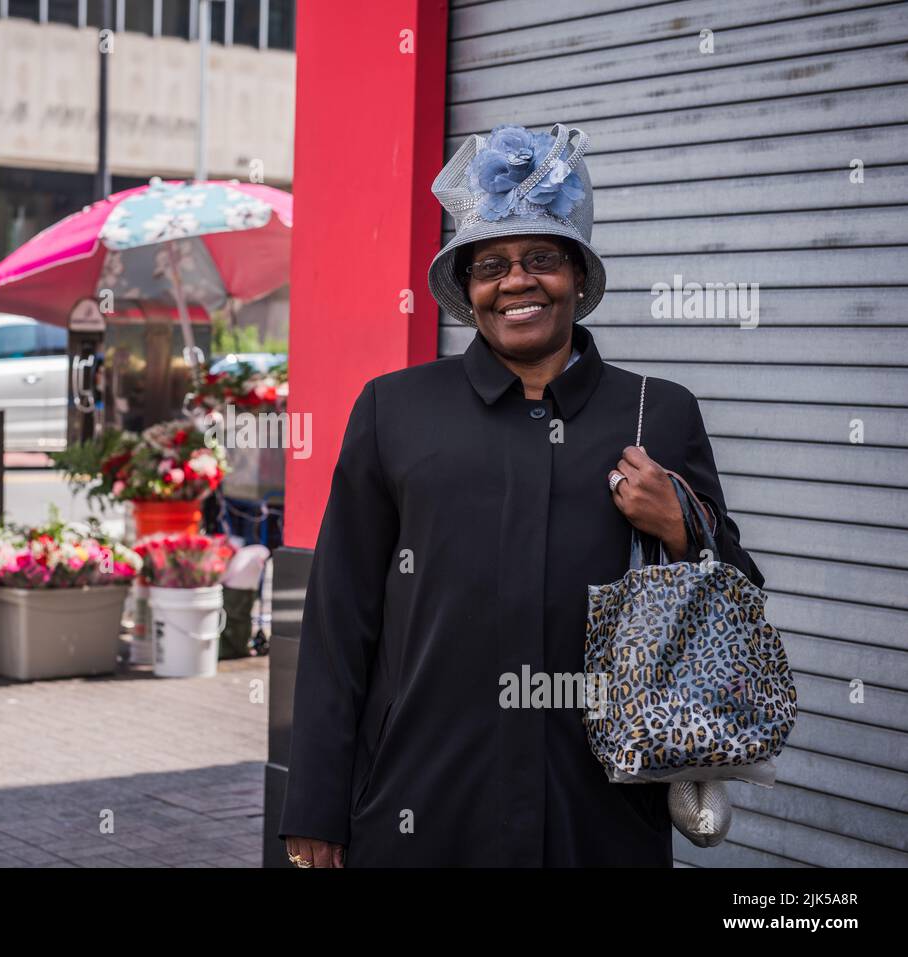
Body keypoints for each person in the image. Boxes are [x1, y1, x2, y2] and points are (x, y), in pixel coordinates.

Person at [278, 122, 765, 867]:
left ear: (577, 275)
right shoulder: (395, 409)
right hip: (422, 804)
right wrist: (316, 802)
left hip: (600, 813)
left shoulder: (656, 411)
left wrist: (682, 530)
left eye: (543, 258)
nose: (517, 280)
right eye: (491, 264)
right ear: (467, 289)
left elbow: (739, 600)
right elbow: (339, 617)